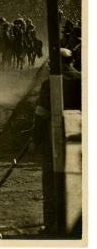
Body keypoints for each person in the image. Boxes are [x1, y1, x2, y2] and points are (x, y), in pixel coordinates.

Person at [32, 48, 82, 236]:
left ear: (56, 64)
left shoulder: (49, 84)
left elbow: (41, 114)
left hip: (55, 142)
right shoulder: (84, 79)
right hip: (81, 140)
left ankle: (52, 224)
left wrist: (35, 139)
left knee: (52, 181)